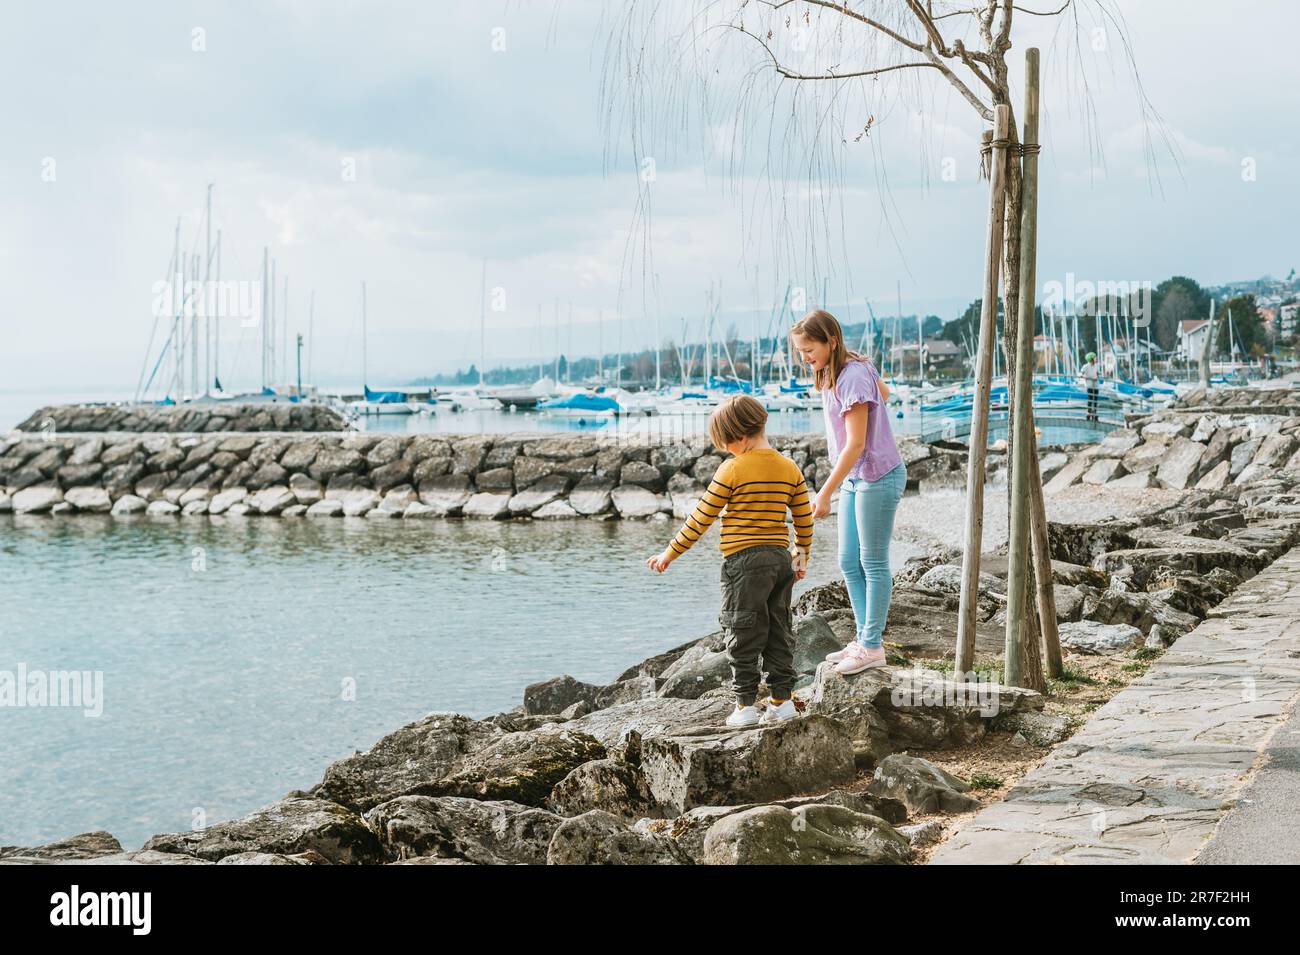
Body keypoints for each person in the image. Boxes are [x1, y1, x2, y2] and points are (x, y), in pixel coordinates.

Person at [646, 394, 814, 728]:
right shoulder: (788, 466)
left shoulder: (732, 469)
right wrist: (801, 556)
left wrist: (670, 552)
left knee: (742, 628)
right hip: (781, 560)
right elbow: (803, 517)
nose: (726, 450)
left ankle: (745, 706)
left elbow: (701, 519)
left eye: (725, 444)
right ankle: (782, 702)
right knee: (780, 629)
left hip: (743, 562)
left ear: (738, 437)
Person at [789, 309, 905, 675]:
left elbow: (855, 444)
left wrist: (823, 493)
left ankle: (872, 646)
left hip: (877, 474)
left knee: (872, 562)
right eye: (800, 351)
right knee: (846, 560)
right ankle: (863, 639)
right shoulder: (841, 371)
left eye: (809, 350)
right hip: (858, 476)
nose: (805, 358)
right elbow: (885, 393)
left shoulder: (852, 375)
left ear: (831, 341)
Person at [1080, 351, 1100, 422]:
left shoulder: (1096, 366)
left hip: (1096, 385)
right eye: (1095, 357)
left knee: (1095, 400)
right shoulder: (1086, 366)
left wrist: (1097, 377)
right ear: (1091, 359)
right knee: (1090, 399)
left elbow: (1098, 374)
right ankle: (1088, 413)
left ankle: (1095, 414)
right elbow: (1081, 374)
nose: (1096, 359)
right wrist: (1087, 377)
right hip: (1089, 385)